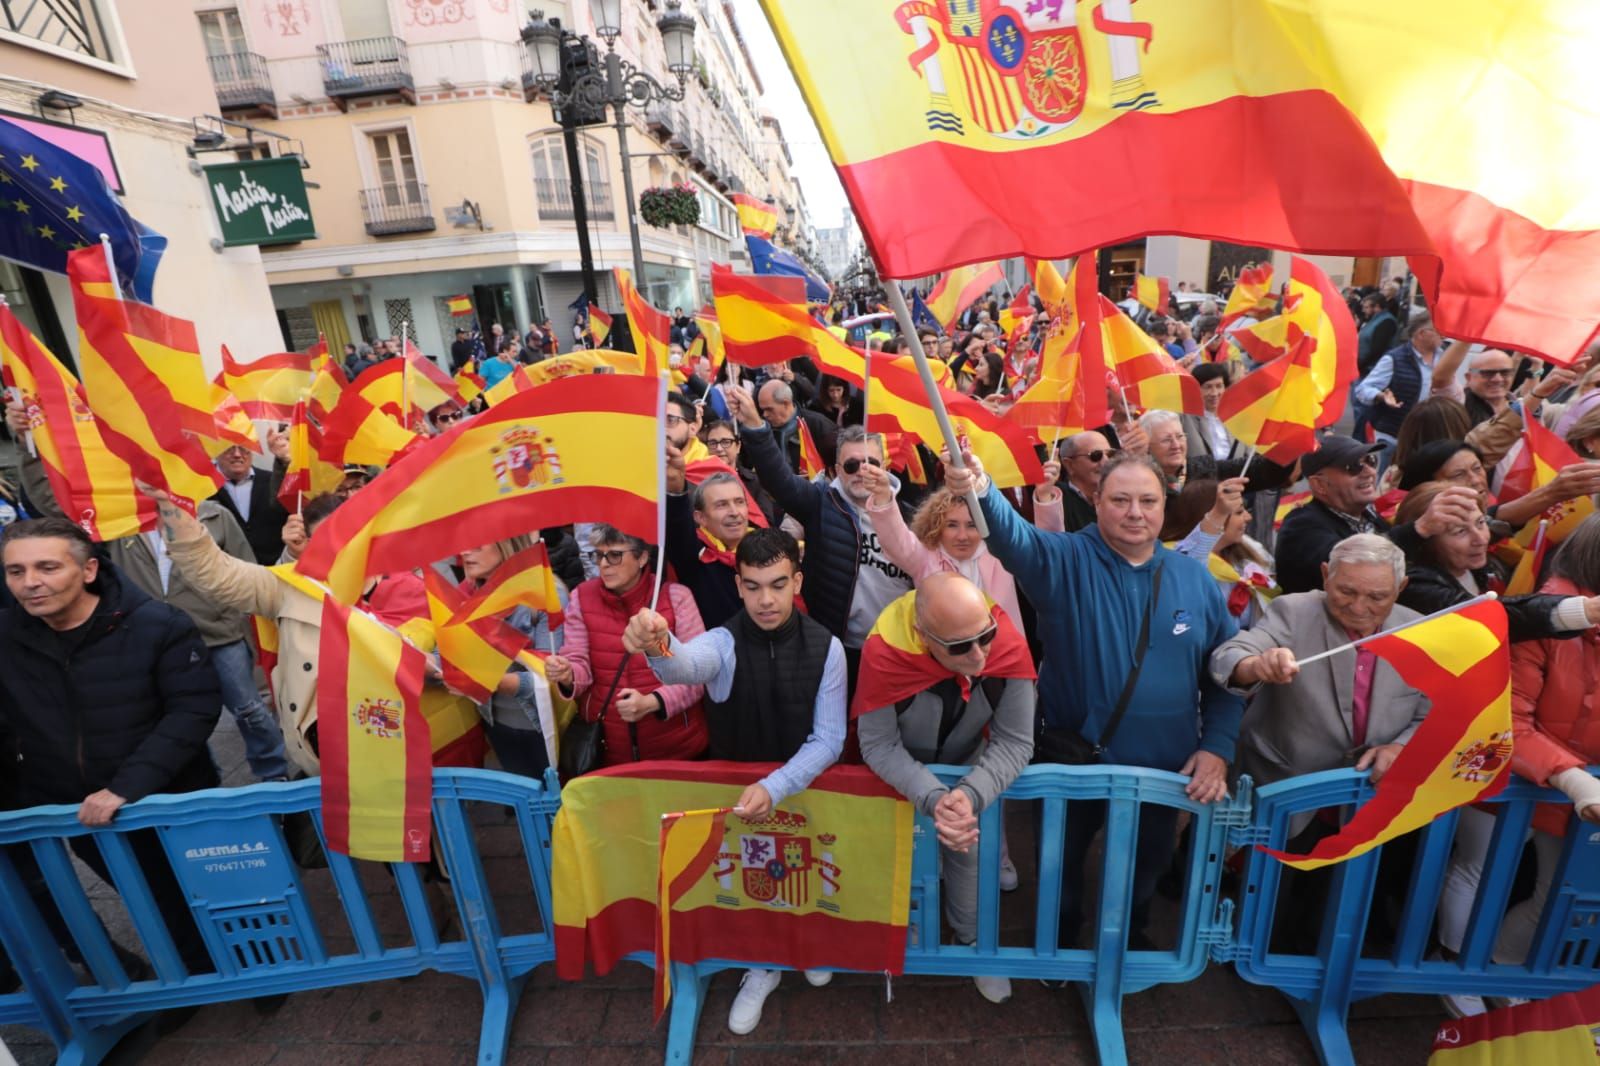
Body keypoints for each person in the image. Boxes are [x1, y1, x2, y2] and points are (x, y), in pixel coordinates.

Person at [946, 451, 1242, 946]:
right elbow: (1011, 538)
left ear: (1163, 506)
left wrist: (1217, 749)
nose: (1135, 512)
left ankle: (1133, 940)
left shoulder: (1195, 578)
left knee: (1147, 863)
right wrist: (980, 487)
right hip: (1074, 759)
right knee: (1060, 860)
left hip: (1163, 770)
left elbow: (1225, 673)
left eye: (1147, 500)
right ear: (1095, 500)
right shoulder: (1062, 559)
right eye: (1120, 499)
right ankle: (1057, 941)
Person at [620, 527, 846, 1035]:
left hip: (802, 794)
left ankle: (807, 944)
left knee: (810, 876)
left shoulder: (829, 649)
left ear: (797, 581)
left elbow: (829, 739)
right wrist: (657, 637)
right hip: (739, 802)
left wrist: (776, 785)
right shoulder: (723, 640)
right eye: (753, 586)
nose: (766, 599)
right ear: (739, 586)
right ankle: (761, 965)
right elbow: (683, 666)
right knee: (755, 886)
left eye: (778, 584)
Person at [8, 410, 287, 783]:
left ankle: (277, 778)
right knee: (176, 716)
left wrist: (239, 630)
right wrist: (30, 444)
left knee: (250, 709)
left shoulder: (214, 515)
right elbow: (52, 500)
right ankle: (206, 787)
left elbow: (246, 573)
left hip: (218, 638)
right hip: (150, 641)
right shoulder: (119, 520)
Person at [0, 518, 221, 974]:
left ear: (88, 570)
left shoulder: (157, 624)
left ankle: (257, 974)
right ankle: (193, 978)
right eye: (15, 571)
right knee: (153, 902)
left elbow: (193, 709)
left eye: (47, 567)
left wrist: (125, 788)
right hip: (81, 814)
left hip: (168, 800)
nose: (31, 583)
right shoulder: (6, 638)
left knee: (213, 891)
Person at [148, 489, 426, 775]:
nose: (340, 548)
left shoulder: (412, 592)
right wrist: (171, 505)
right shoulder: (293, 590)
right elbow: (217, 574)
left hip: (405, 754)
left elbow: (420, 660)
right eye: (324, 540)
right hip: (327, 757)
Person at [853, 575, 1035, 1004]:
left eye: (984, 636)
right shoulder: (885, 650)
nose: (979, 655)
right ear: (921, 637)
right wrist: (932, 796)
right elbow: (878, 743)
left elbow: (1016, 740)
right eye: (959, 647)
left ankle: (972, 943)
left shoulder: (1006, 640)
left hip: (971, 765)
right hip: (901, 775)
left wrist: (967, 796)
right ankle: (909, 926)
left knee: (969, 855)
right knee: (903, 853)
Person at [1457, 515, 1600, 971]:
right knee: (1479, 875)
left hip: (1572, 790)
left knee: (1559, 895)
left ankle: (1499, 972)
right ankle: (1455, 973)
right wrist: (1577, 781)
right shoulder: (1546, 616)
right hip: (1516, 779)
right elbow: (1507, 723)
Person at [1210, 534, 1427, 801]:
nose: (1359, 607)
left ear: (1401, 587)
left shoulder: (1420, 630)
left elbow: (1432, 711)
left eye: (1377, 597)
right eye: (1346, 591)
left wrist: (1400, 746)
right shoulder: (1293, 612)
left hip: (1373, 795)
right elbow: (1227, 657)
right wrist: (1256, 665)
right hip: (1288, 788)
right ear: (1326, 575)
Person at [728, 390, 914, 677]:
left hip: (900, 647)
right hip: (842, 648)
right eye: (852, 465)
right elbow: (781, 482)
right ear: (838, 470)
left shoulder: (911, 517)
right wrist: (755, 426)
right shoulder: (821, 502)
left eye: (871, 464)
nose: (861, 473)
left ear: (885, 467)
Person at [544, 525, 707, 765]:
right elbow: (578, 662)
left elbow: (698, 673)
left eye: (615, 555)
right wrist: (567, 674)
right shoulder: (582, 597)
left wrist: (651, 702)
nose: (604, 564)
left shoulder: (677, 597)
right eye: (598, 555)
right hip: (610, 748)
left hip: (675, 745)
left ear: (642, 557)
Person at [1392, 481, 1600, 642]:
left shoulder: (1471, 560)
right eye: (1460, 531)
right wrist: (1585, 610)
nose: (1481, 538)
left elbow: (1502, 520)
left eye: (1480, 523)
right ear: (1425, 538)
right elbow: (1492, 617)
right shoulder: (1414, 586)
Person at [1275, 435, 1474, 594]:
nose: (1369, 472)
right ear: (1319, 484)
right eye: (1352, 466)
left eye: (1370, 461)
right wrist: (1419, 528)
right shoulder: (1301, 526)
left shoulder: (1366, 514)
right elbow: (1351, 560)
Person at [861, 467, 1021, 631]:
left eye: (972, 525)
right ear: (936, 526)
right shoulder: (924, 559)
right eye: (952, 525)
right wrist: (882, 496)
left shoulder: (1001, 552)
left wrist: (1046, 499)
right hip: (944, 653)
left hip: (1003, 650)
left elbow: (1042, 549)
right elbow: (896, 540)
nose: (962, 536)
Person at [458, 536, 567, 777]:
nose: (464, 550)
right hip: (495, 723)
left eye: (477, 543)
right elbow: (444, 649)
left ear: (506, 543)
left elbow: (551, 679)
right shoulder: (467, 594)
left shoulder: (547, 594)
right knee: (522, 806)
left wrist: (486, 679)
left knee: (552, 806)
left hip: (541, 727)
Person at [1164, 478, 1277, 628]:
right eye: (1238, 512)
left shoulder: (1249, 555)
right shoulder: (1174, 558)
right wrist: (1218, 513)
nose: (1248, 517)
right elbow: (1189, 567)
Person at [663, 467, 755, 628]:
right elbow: (677, 527)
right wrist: (675, 488)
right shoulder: (693, 554)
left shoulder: (768, 548)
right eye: (722, 505)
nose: (734, 512)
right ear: (701, 518)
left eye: (739, 502)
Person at [1355, 317, 1444, 448]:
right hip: (1393, 436)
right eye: (1439, 330)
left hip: (1427, 437)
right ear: (1421, 333)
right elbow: (1363, 389)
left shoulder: (1444, 358)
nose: (1444, 334)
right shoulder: (1394, 358)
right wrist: (1381, 396)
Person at [211, 443, 289, 565]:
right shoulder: (201, 485)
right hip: (226, 574)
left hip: (272, 572)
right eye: (229, 448)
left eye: (243, 448)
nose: (237, 454)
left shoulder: (273, 481)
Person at [701, 419, 779, 526]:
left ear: (738, 446)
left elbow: (767, 521)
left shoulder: (754, 481)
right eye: (713, 443)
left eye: (725, 442)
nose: (719, 448)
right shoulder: (699, 481)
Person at [1034, 431, 1113, 533]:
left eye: (1110, 454)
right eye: (1096, 455)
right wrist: (1045, 496)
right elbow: (1051, 541)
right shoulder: (1054, 498)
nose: (1106, 461)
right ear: (1069, 465)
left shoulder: (1118, 494)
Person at [754, 379, 837, 474]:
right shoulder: (763, 428)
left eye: (769, 409)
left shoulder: (819, 425)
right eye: (762, 410)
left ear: (786, 404)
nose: (765, 415)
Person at [1181, 364, 1238, 462]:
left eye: (1219, 386)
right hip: (1203, 475)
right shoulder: (1185, 418)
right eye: (1207, 387)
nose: (1214, 393)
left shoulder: (1237, 416)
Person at [1461, 349, 1517, 427]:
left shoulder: (1518, 405)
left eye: (1505, 373)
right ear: (1469, 377)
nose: (1498, 379)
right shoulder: (1459, 406)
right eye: (1488, 373)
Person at [1356, 293, 1400, 376]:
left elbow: (1377, 349)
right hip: (1365, 367)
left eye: (1366, 307)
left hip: (1372, 369)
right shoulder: (1374, 320)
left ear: (1377, 307)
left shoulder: (1386, 322)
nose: (1363, 310)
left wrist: (1360, 365)